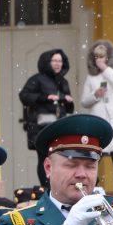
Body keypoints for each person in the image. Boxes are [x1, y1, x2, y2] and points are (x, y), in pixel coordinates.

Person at [80, 39, 113, 195]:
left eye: (102, 56)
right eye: (97, 57)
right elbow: (84, 101)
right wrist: (95, 95)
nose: (99, 60)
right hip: (99, 121)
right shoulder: (91, 77)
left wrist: (105, 69)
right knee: (96, 155)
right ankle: (91, 190)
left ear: (109, 57)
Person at [19, 49, 74, 186]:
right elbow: (24, 96)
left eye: (60, 61)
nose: (57, 64)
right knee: (44, 157)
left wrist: (68, 101)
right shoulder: (37, 79)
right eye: (54, 60)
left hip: (60, 126)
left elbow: (69, 109)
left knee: (61, 158)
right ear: (47, 62)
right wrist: (45, 98)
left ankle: (58, 187)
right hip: (41, 126)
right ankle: (46, 188)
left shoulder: (63, 82)